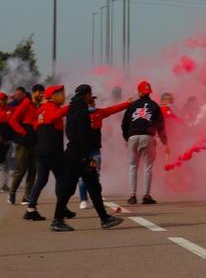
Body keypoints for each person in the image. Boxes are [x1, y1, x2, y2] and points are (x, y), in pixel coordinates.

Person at [54, 85, 125, 231]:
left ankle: (104, 219)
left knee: (93, 187)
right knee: (70, 188)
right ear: (86, 95)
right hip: (79, 155)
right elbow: (83, 135)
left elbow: (71, 133)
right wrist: (87, 156)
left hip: (75, 152)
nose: (91, 97)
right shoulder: (82, 112)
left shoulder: (73, 109)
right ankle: (57, 220)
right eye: (90, 94)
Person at [24, 85, 71, 224]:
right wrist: (75, 104)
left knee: (42, 180)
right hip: (52, 151)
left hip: (41, 151)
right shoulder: (51, 109)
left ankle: (31, 209)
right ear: (53, 96)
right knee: (62, 179)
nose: (64, 96)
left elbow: (35, 125)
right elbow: (55, 116)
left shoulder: (40, 110)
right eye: (62, 93)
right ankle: (61, 210)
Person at [78, 93, 130, 210]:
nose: (93, 103)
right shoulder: (78, 114)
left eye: (93, 102)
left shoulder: (99, 112)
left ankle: (94, 198)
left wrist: (127, 103)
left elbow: (112, 109)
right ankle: (83, 199)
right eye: (90, 102)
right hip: (82, 149)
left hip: (95, 149)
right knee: (82, 176)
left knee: (95, 174)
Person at [122, 81, 169, 205]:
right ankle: (146, 195)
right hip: (148, 137)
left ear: (139, 92)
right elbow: (161, 127)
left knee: (133, 166)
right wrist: (165, 142)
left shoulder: (132, 106)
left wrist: (127, 138)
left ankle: (132, 195)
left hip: (133, 136)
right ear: (150, 92)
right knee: (147, 167)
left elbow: (124, 124)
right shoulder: (154, 106)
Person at [8, 85, 43, 205]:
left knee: (33, 170)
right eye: (39, 93)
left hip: (34, 142)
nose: (41, 95)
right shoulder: (26, 103)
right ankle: (12, 193)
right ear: (33, 93)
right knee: (21, 169)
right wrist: (23, 132)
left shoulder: (38, 106)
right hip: (22, 142)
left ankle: (26, 196)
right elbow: (12, 120)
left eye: (42, 93)